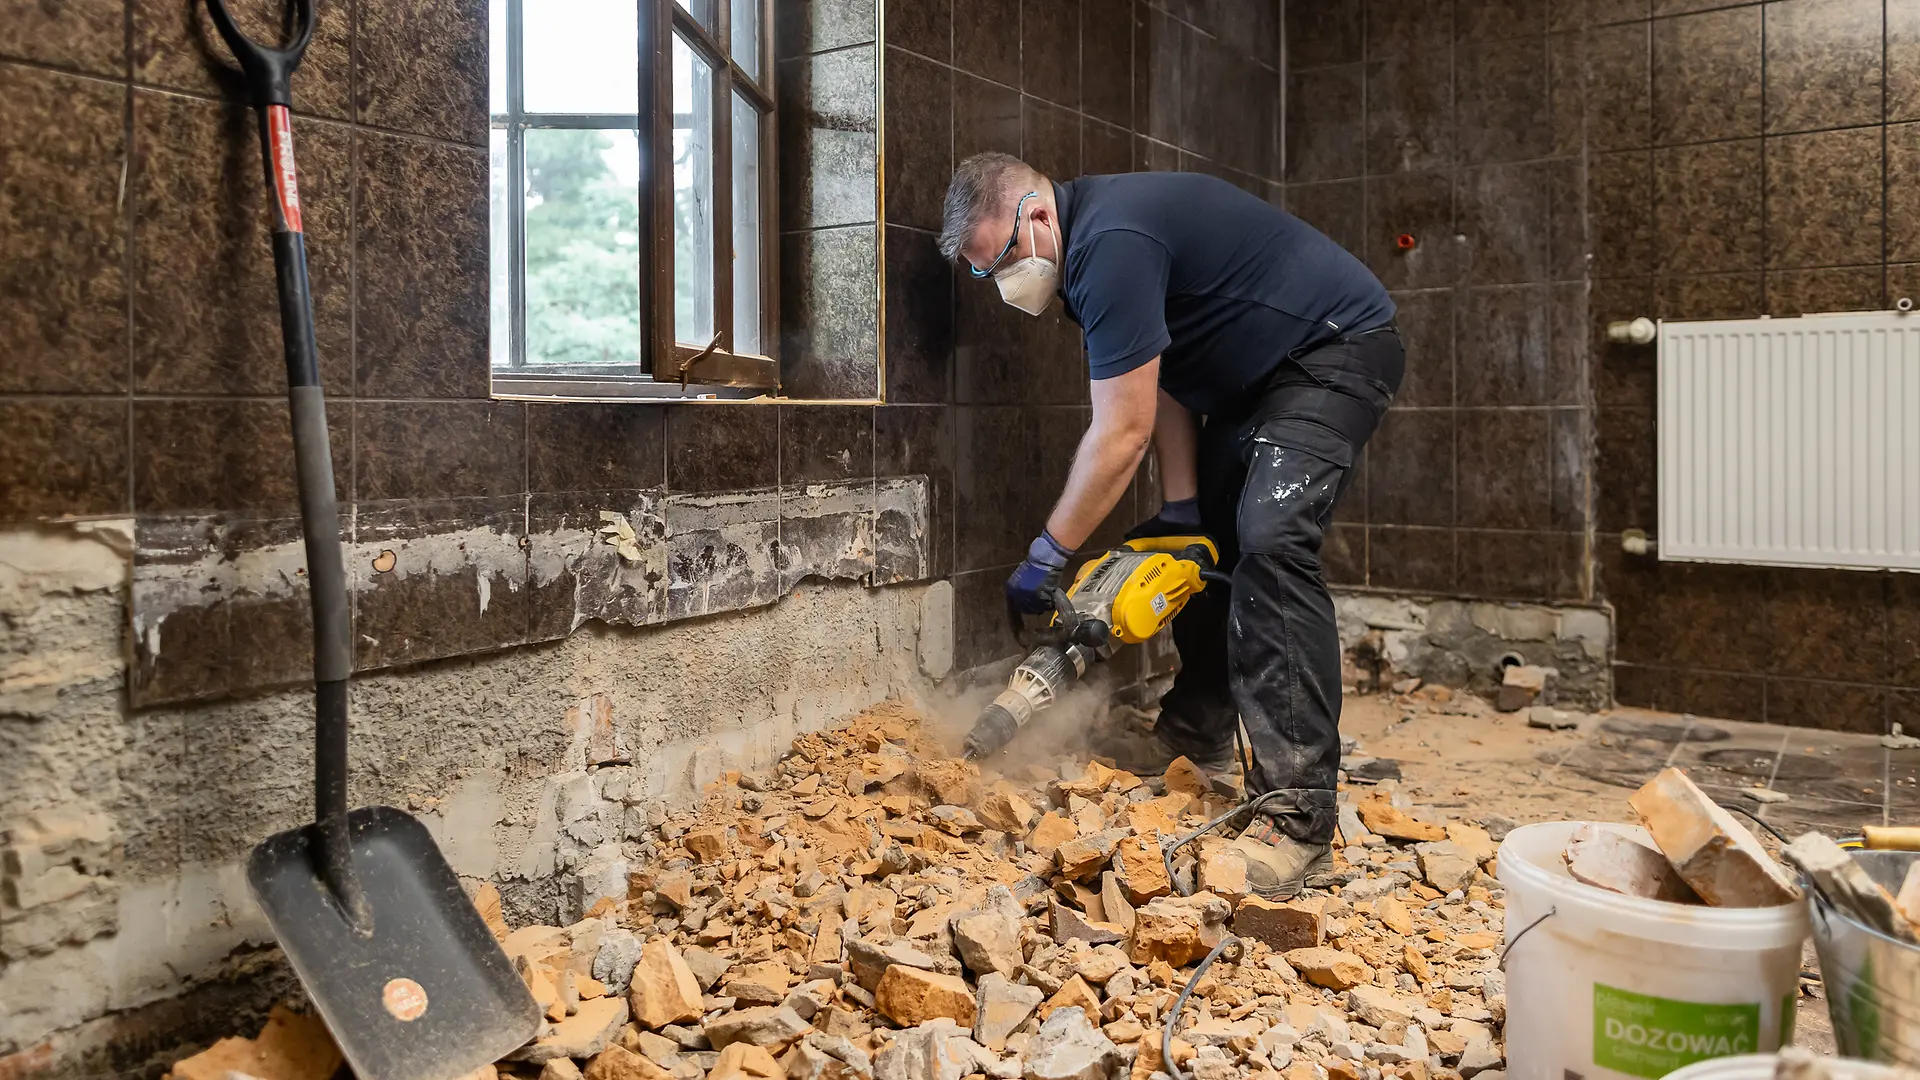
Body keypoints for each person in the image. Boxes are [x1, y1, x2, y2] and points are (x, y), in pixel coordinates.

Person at [937, 154, 1404, 898]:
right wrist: (1184, 507)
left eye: (1001, 262)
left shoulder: (1109, 245)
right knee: (1211, 543)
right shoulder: (1092, 251)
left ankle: (1298, 820)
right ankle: (1196, 733)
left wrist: (1047, 553)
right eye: (983, 275)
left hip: (1335, 350)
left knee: (1273, 535)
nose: (1002, 286)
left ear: (1035, 215)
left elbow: (1122, 433)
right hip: (1256, 380)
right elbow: (1169, 380)